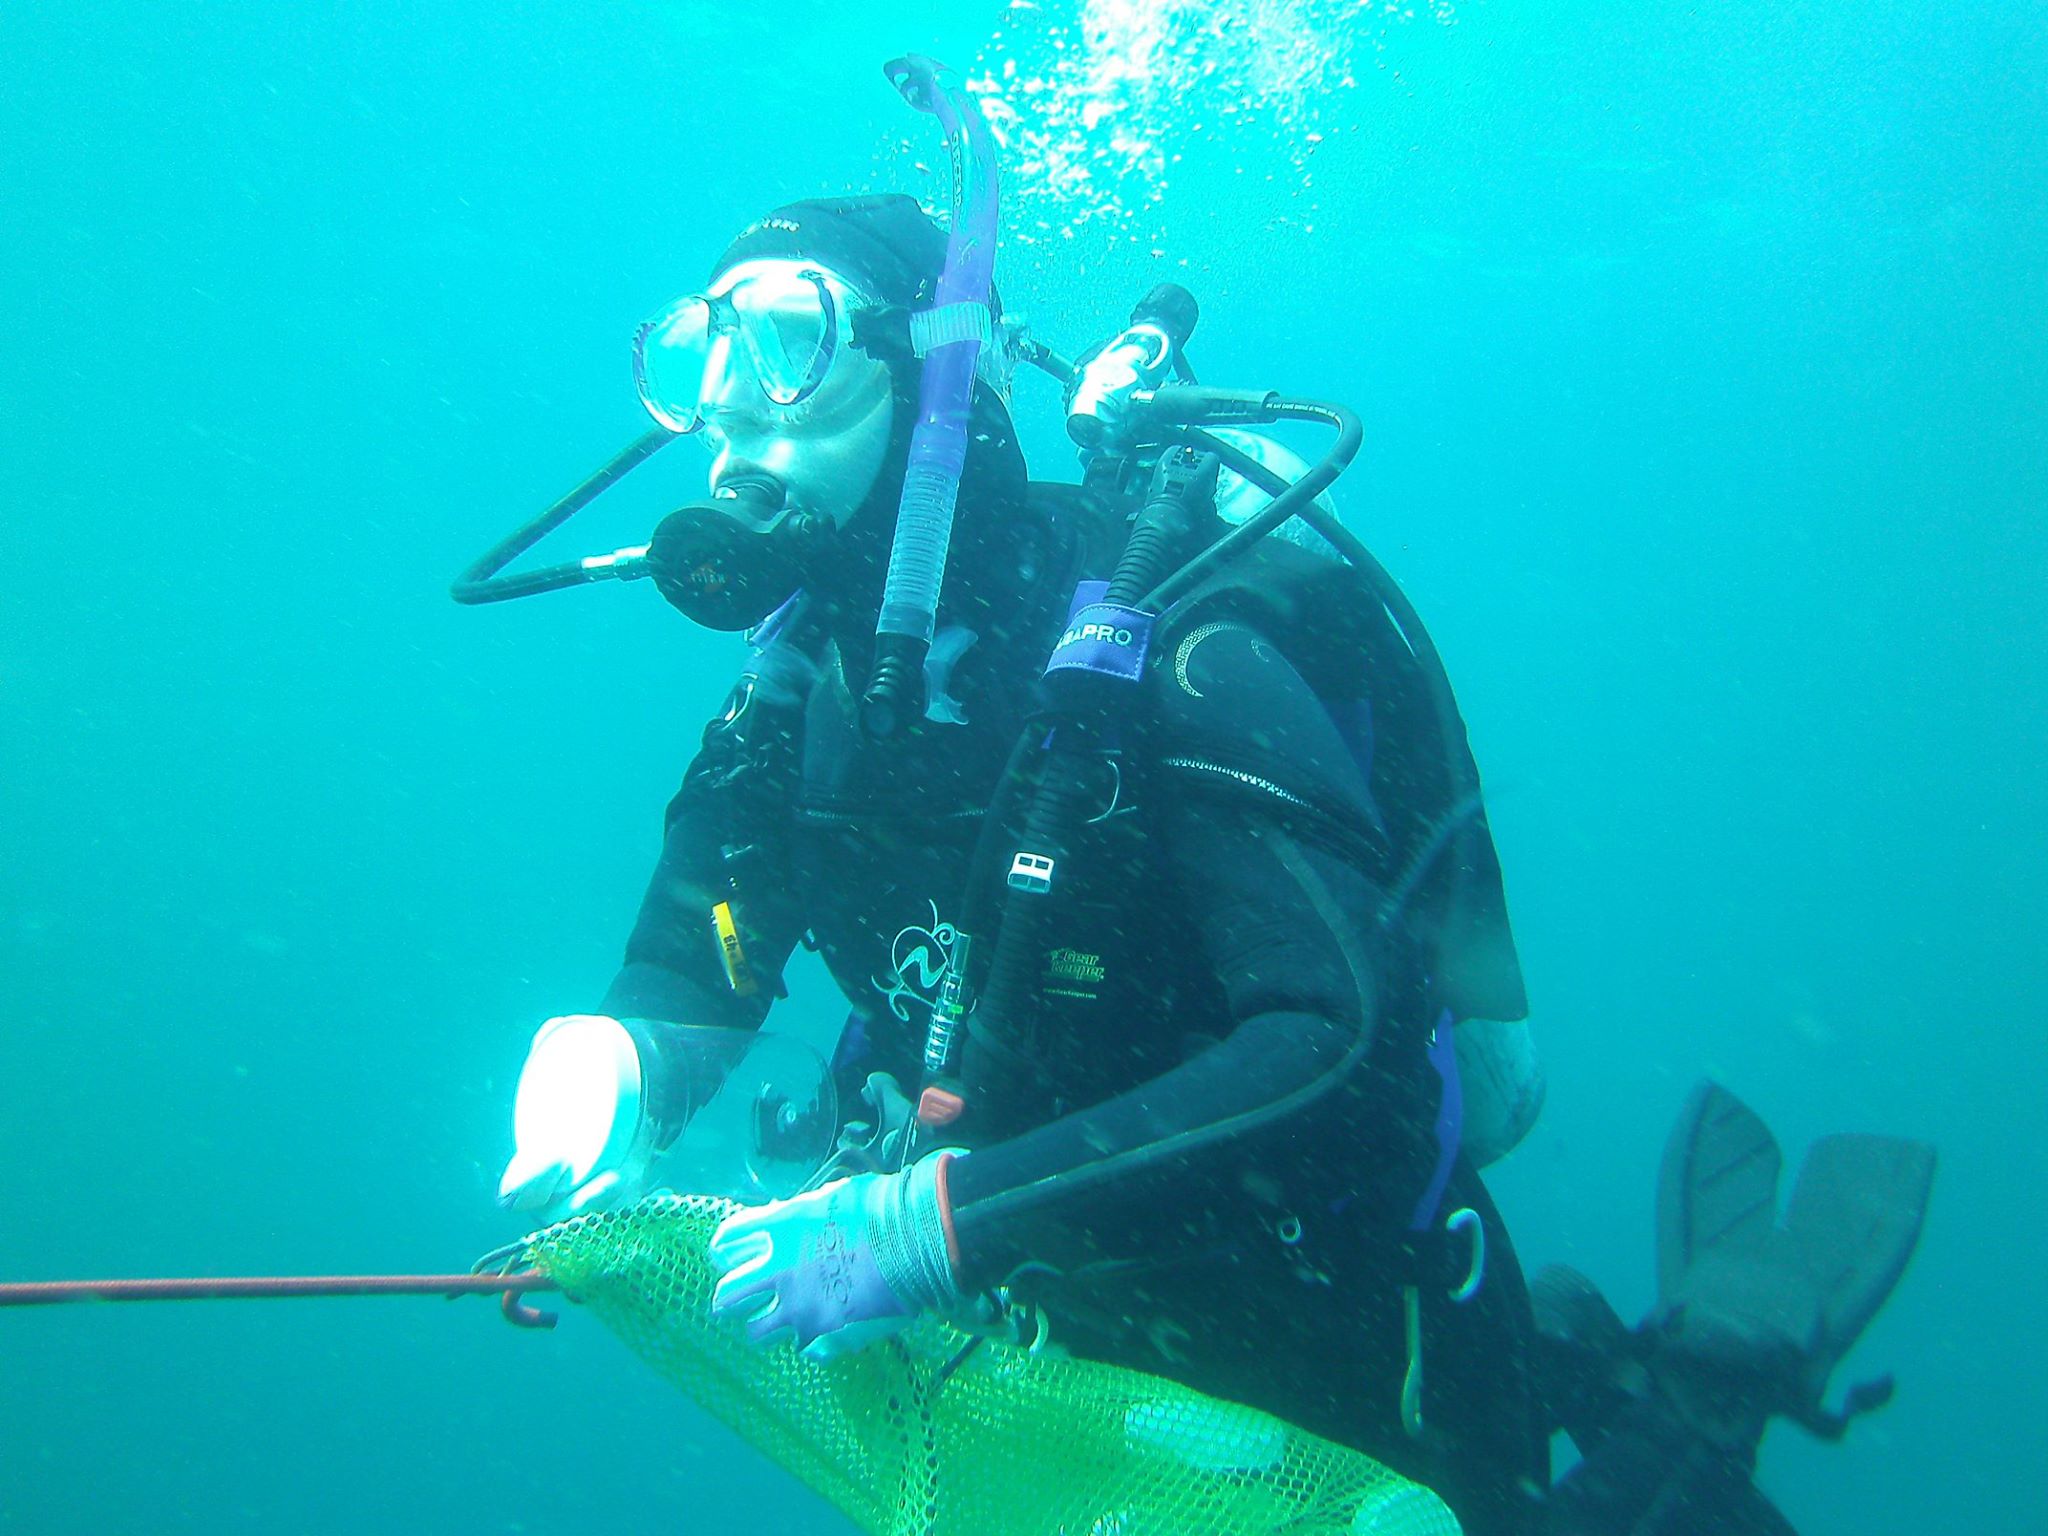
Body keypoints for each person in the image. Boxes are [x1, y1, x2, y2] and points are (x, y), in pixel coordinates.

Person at [472, 59, 1929, 1536]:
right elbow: (700, 961)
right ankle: (1599, 1360)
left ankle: (1693, 1398)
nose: (733, 411)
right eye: (699, 357)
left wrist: (938, 1227)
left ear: (935, 378)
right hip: (1067, 1362)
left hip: (1347, 1349)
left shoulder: (1174, 642)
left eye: (789, 342)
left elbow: (1338, 1046)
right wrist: (624, 1057)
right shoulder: (796, 702)